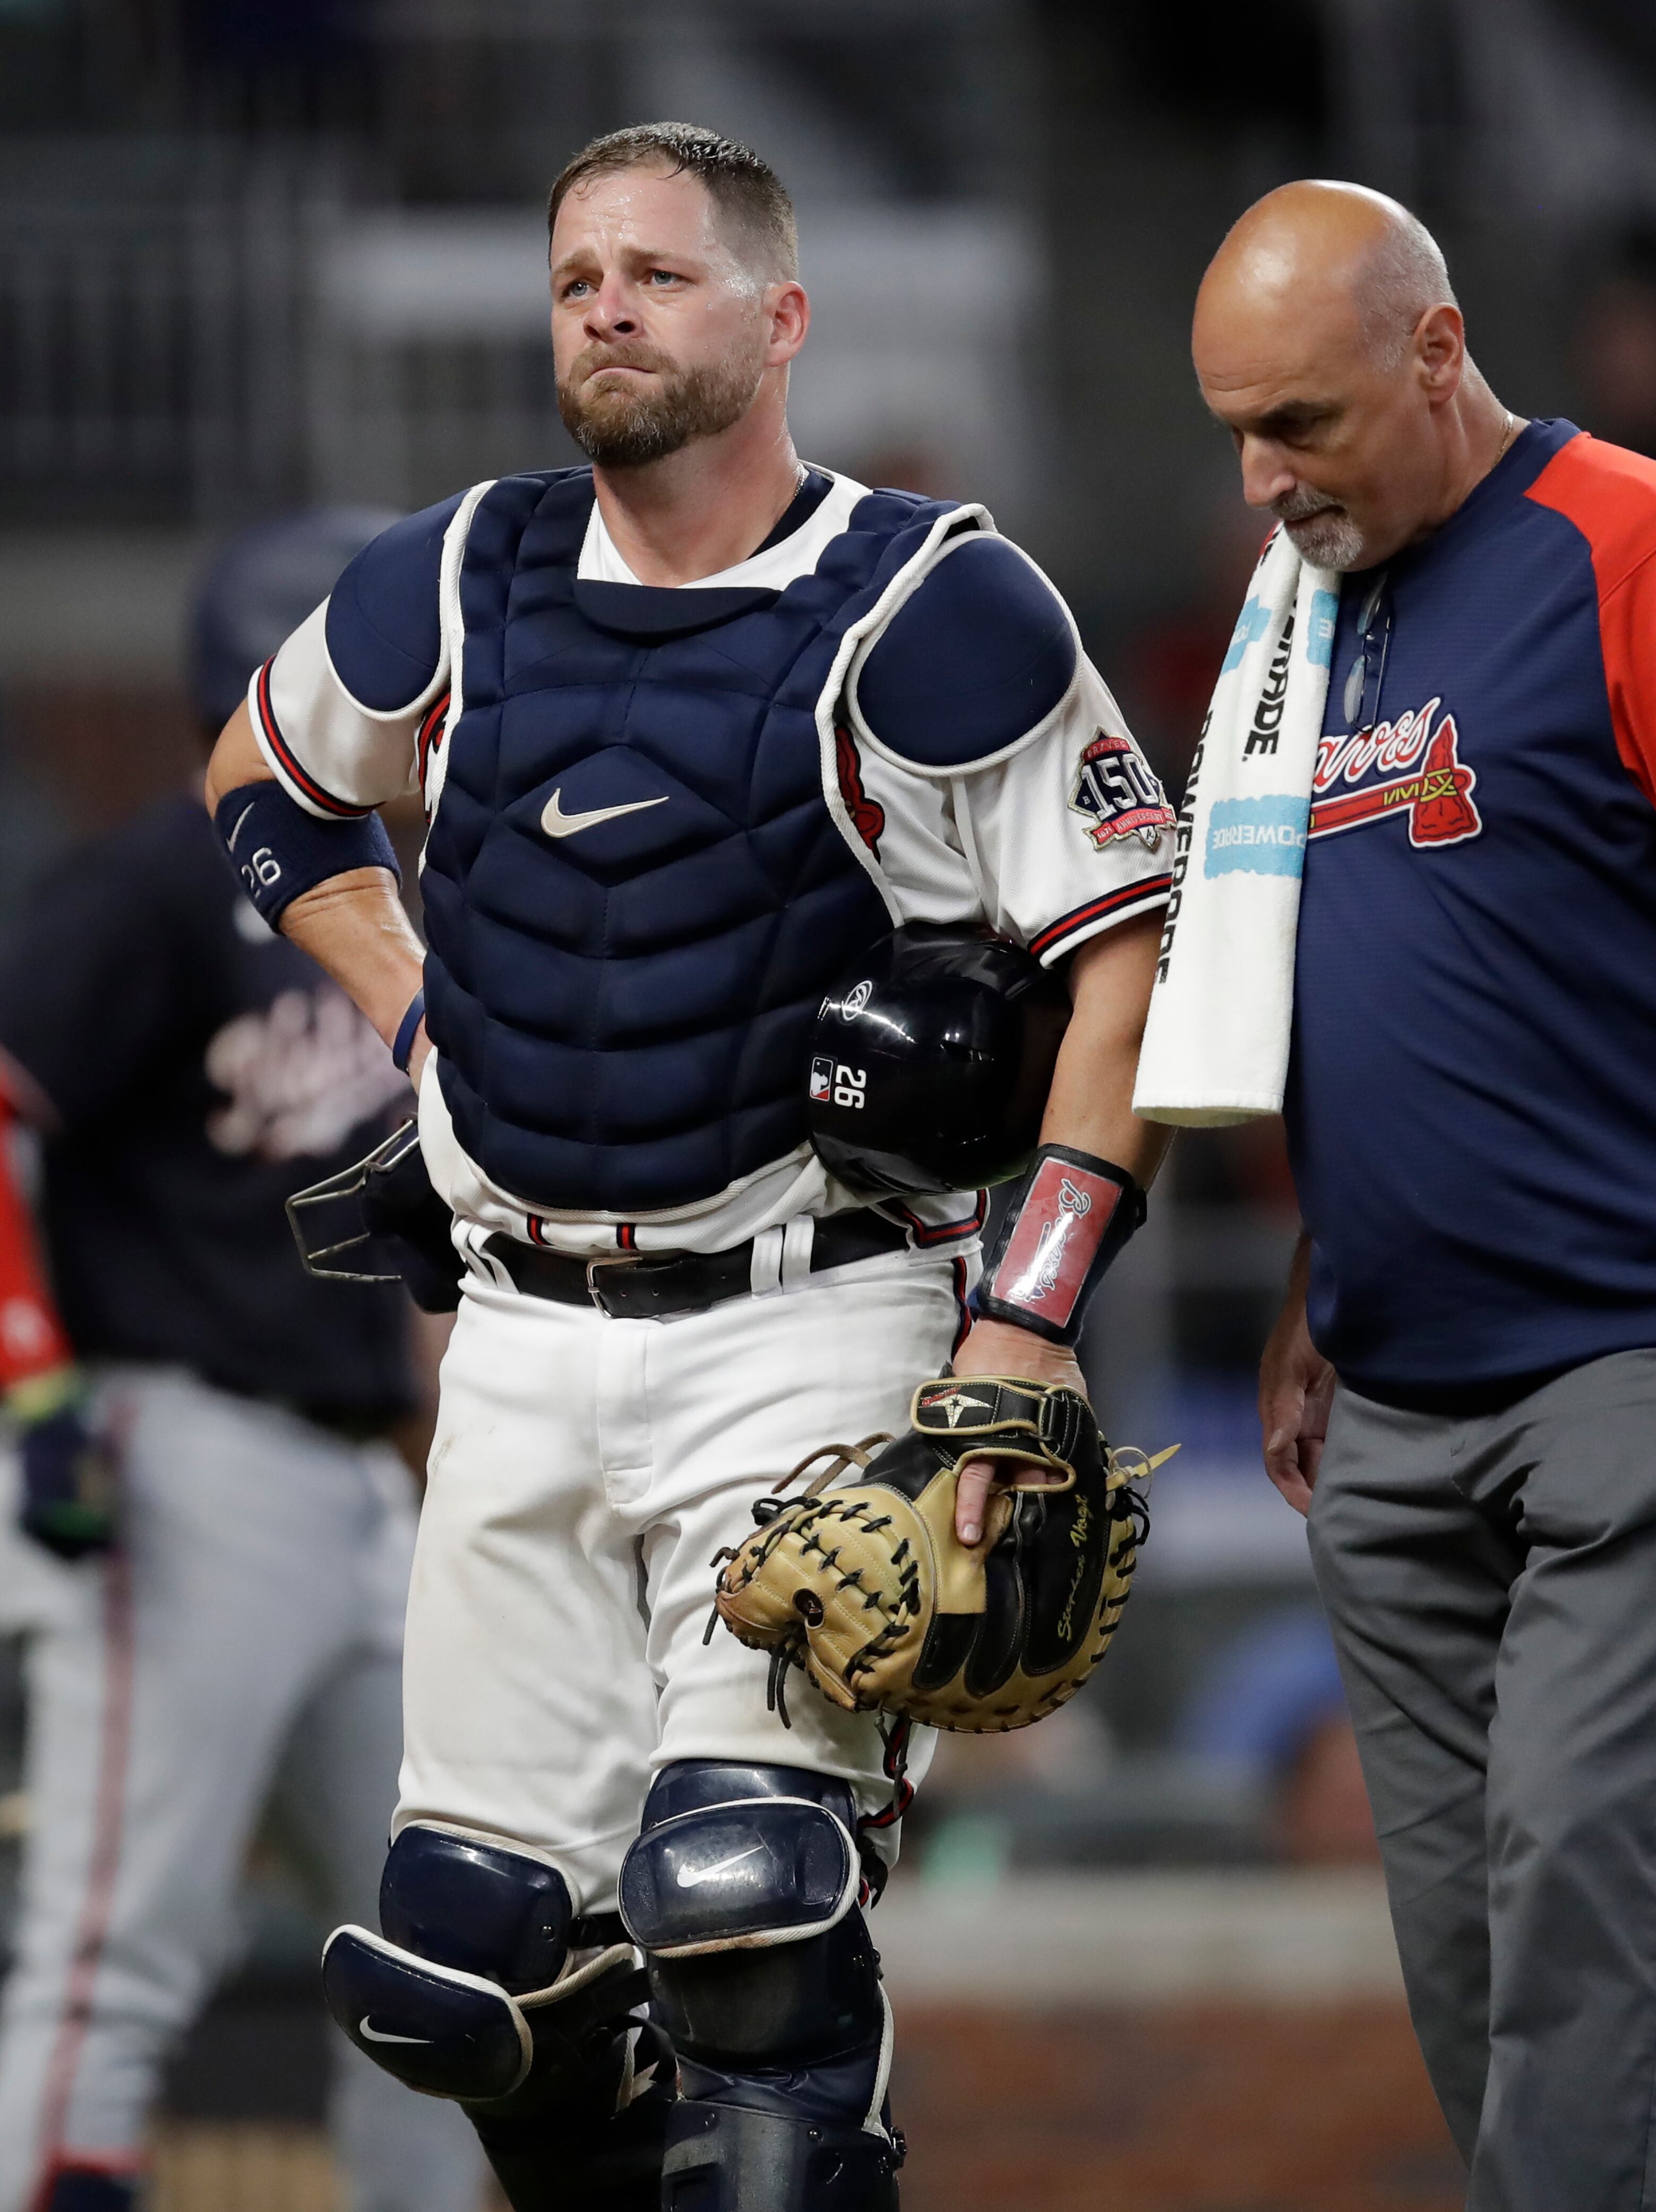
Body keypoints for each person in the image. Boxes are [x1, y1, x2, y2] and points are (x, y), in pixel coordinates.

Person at [200, 122, 1172, 2211]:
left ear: (780, 315)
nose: (609, 306)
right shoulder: (458, 572)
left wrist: (1029, 1317)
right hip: (518, 1336)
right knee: (459, 1975)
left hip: (808, 1320)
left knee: (741, 1907)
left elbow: (1131, 965)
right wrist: (412, 1004)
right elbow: (266, 786)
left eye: (658, 270)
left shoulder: (932, 603)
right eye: (575, 280)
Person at [1165, 180, 1656, 2210]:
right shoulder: (1303, 606)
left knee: (1576, 1854)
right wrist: (1322, 1276)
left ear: (1437, 352)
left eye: (1301, 425)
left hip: (1653, 1353)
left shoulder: (1654, 555)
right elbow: (1378, 974)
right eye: (1236, 430)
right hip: (1399, 1392)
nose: (1263, 479)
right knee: (1473, 1947)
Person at [0, 515, 485, 2212]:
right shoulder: (150, 883)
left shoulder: (389, 905)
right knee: (115, 1952)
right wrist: (34, 1385)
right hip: (183, 1456)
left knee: (446, 1970)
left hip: (358, 1484)